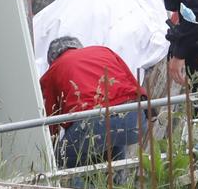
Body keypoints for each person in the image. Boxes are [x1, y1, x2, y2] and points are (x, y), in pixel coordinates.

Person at [39, 35, 145, 166]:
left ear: (52, 59)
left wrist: (53, 142)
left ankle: (78, 187)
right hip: (135, 120)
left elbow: (51, 119)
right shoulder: (104, 51)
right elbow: (132, 82)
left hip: (91, 126)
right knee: (115, 139)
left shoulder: (52, 71)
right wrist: (151, 112)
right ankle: (117, 184)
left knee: (59, 159)